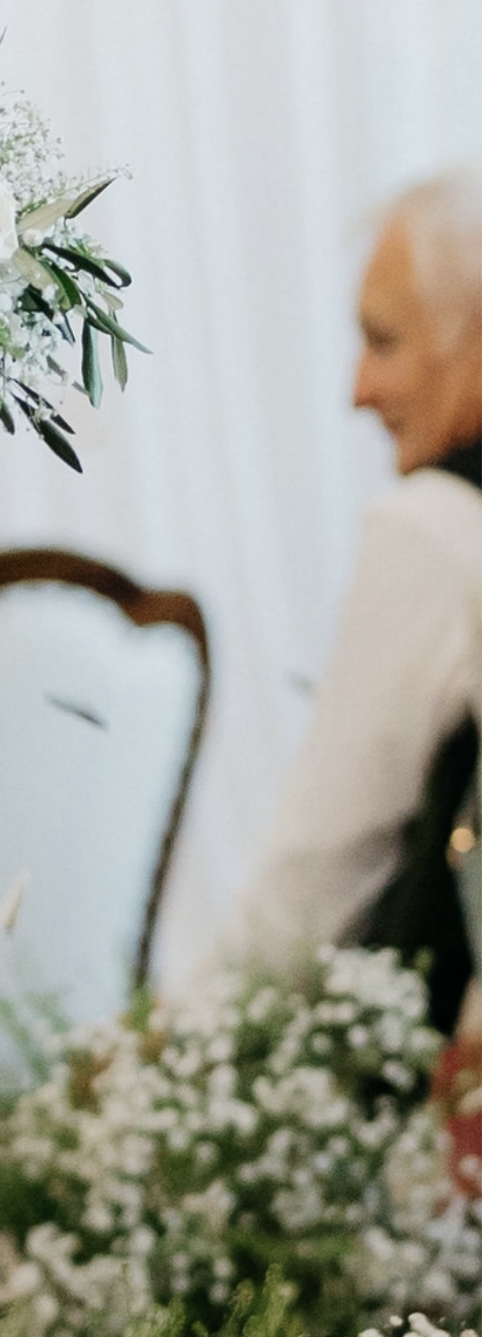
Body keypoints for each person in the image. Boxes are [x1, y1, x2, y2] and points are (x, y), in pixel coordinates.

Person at [219, 170, 482, 1019]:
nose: (356, 389)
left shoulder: (435, 528)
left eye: (382, 340)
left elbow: (321, 870)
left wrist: (161, 1053)